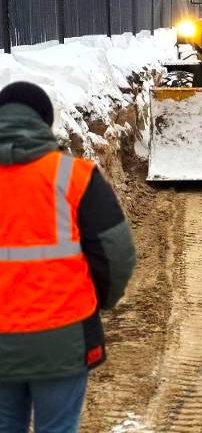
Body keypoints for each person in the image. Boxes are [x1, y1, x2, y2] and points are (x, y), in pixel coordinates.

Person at [0, 81, 136, 433]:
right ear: (46, 123)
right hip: (64, 339)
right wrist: (99, 302)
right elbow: (116, 253)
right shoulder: (74, 176)